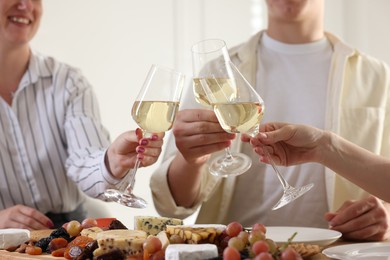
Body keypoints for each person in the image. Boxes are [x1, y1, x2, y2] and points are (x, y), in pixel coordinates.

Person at [150, 0, 390, 241]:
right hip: (238, 251)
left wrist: (387, 216)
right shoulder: (217, 73)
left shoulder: (377, 76)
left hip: (340, 253)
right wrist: (191, 160)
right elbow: (172, 207)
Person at [0, 0, 164, 230]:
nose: (25, 4)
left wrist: (112, 161)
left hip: (70, 234)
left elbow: (84, 160)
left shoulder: (69, 82)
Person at [244, 122, 390, 203]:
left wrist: (387, 213)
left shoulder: (380, 71)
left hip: (344, 249)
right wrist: (321, 146)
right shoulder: (233, 75)